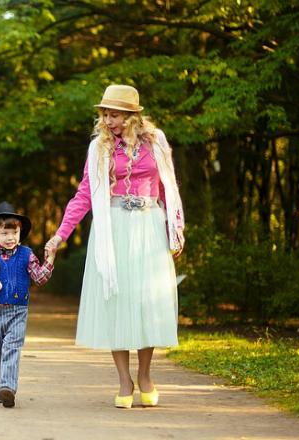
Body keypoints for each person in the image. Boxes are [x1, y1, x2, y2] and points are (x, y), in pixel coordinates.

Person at [44, 84, 185, 409]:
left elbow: (168, 186)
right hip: (114, 228)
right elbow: (84, 194)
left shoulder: (157, 141)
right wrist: (59, 235)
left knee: (147, 301)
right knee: (117, 301)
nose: (108, 120)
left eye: (115, 114)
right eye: (105, 114)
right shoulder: (100, 149)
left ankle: (146, 374)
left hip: (149, 226)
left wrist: (175, 228)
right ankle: (124, 380)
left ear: (132, 115)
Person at [0, 201, 55, 408]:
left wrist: (50, 258)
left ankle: (7, 387)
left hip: (19, 311)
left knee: (12, 348)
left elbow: (40, 278)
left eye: (14, 233)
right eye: (5, 233)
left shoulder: (27, 254)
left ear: (19, 233)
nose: (10, 238)